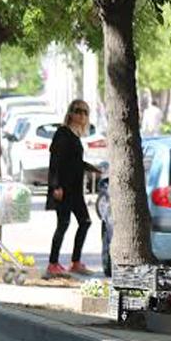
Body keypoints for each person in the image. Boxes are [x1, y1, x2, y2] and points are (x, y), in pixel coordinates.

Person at [46, 99, 100, 278]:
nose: (81, 115)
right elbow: (55, 162)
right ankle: (52, 264)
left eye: (85, 112)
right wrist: (56, 186)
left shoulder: (75, 135)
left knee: (85, 222)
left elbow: (74, 161)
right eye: (78, 111)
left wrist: (91, 168)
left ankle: (75, 262)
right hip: (63, 188)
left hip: (75, 189)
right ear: (70, 113)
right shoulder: (62, 133)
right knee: (63, 224)